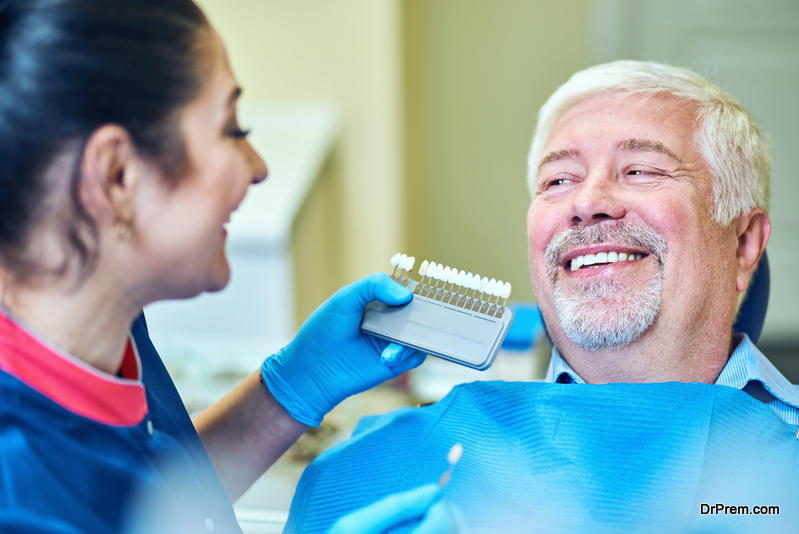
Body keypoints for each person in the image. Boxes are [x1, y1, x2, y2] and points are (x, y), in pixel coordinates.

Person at [0, 1, 463, 532]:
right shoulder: (16, 496)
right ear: (117, 175)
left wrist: (293, 387)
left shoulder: (107, 327)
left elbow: (146, 494)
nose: (259, 168)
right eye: (232, 129)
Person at [281, 61, 799, 533]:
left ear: (745, 242)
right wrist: (286, 391)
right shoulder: (373, 469)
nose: (588, 202)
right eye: (558, 180)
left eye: (640, 170)